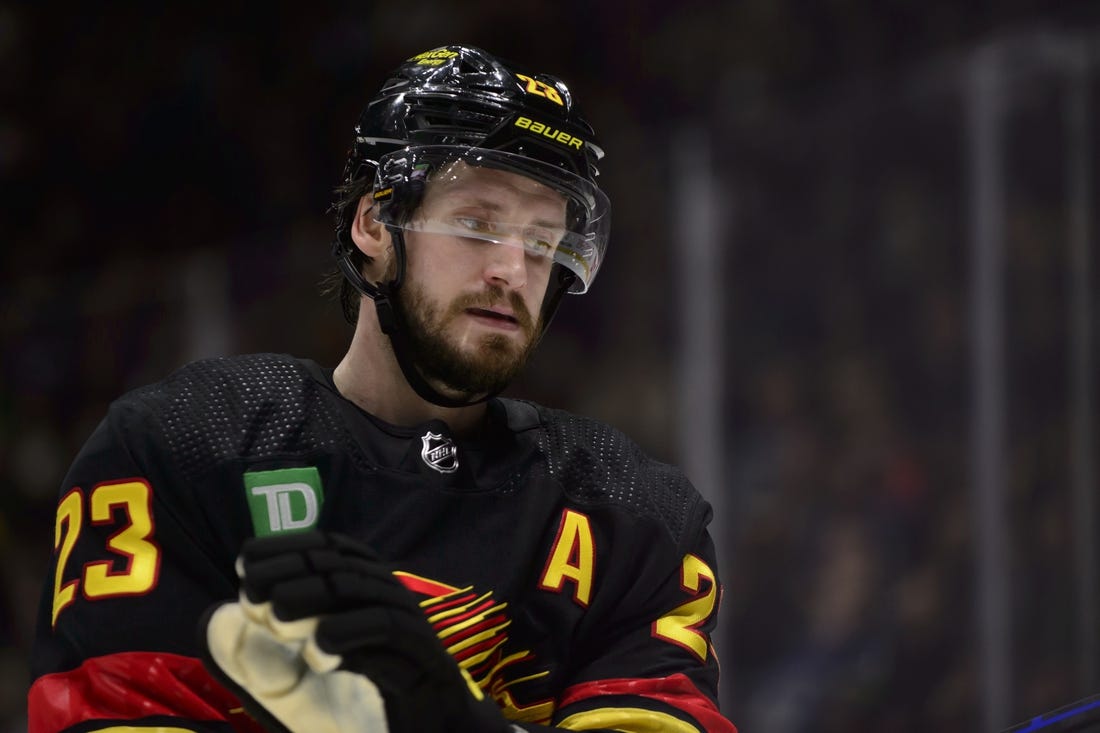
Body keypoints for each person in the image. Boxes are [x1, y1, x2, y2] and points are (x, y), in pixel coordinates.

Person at [28, 45, 736, 733]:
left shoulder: (634, 516)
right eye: (477, 225)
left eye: (544, 241)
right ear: (375, 222)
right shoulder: (182, 451)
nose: (514, 271)